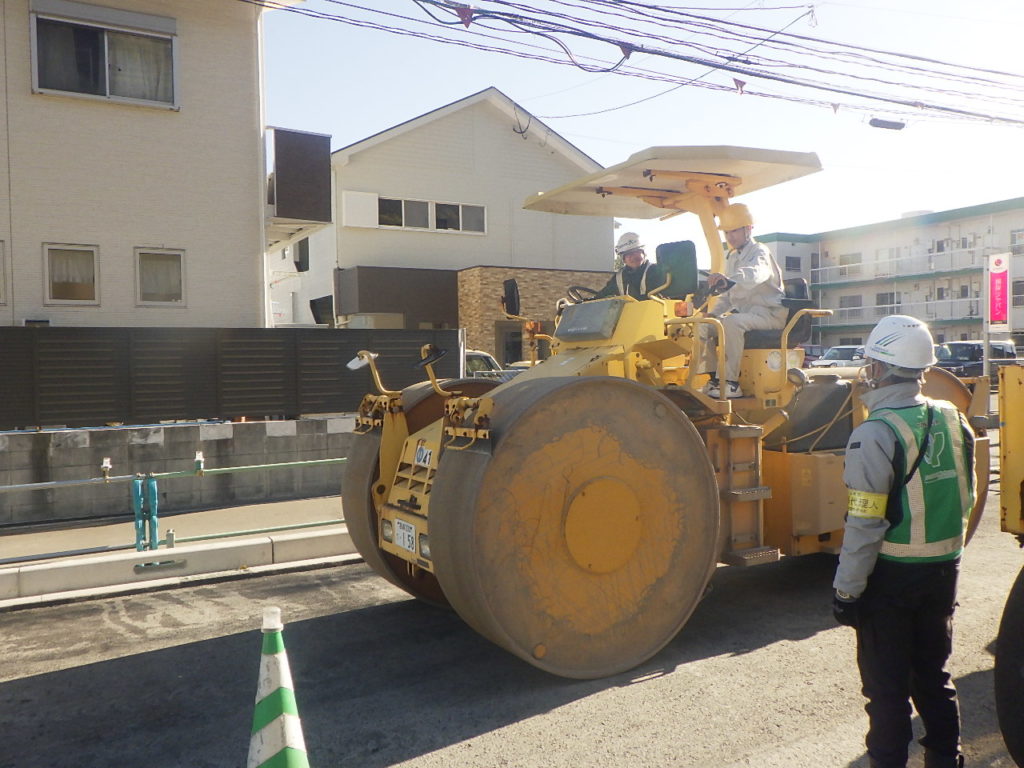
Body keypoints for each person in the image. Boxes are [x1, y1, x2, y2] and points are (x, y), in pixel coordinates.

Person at [833, 314, 976, 768]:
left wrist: (846, 591)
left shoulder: (875, 433)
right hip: (944, 570)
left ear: (879, 368)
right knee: (934, 676)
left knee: (887, 692)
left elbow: (864, 524)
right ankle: (945, 759)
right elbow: (969, 493)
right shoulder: (953, 418)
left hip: (891, 580)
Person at [699, 203, 787, 398]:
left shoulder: (759, 252)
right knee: (704, 326)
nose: (730, 237)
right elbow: (728, 296)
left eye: (735, 231)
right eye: (727, 232)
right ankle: (714, 378)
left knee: (732, 322)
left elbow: (756, 273)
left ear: (748, 229)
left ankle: (730, 382)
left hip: (769, 315)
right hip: (749, 315)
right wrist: (713, 314)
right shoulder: (733, 258)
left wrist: (730, 280)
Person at [593, 232, 665, 300]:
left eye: (636, 252)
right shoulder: (619, 278)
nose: (633, 257)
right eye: (628, 254)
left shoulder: (656, 271)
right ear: (623, 259)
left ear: (644, 253)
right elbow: (602, 296)